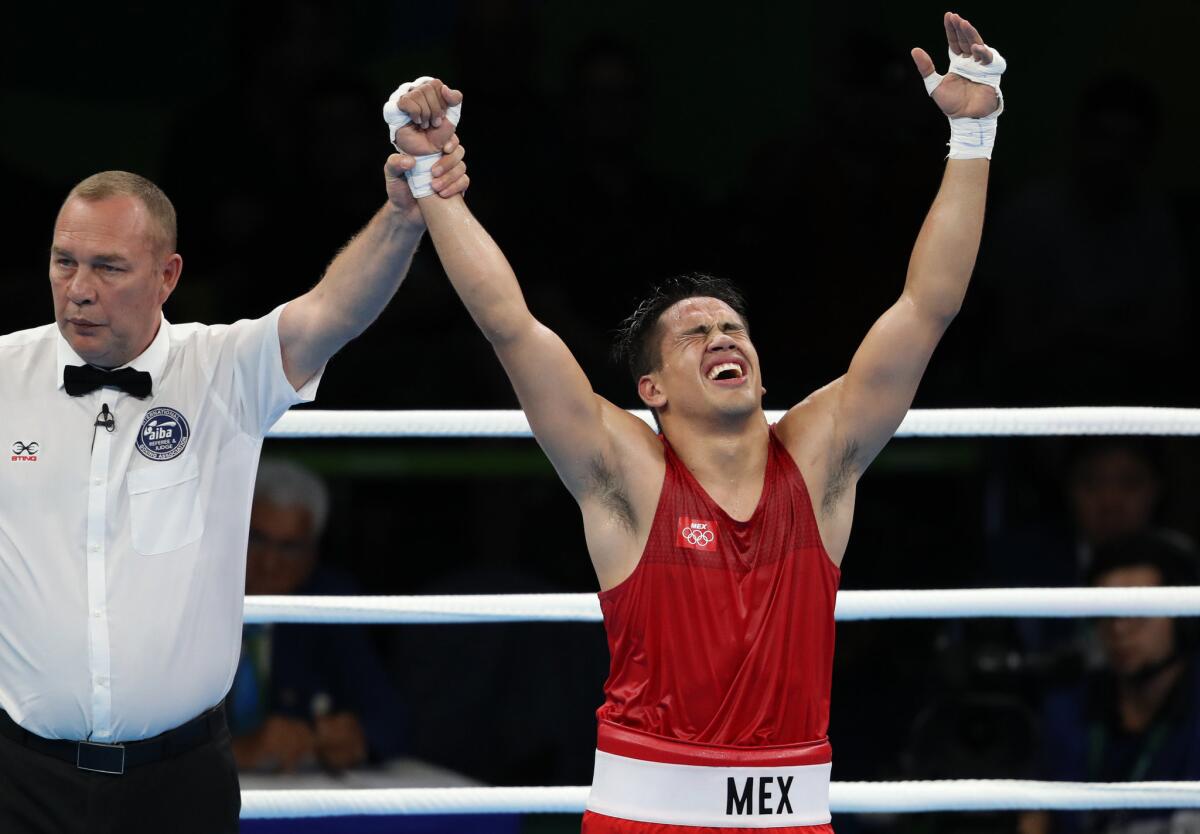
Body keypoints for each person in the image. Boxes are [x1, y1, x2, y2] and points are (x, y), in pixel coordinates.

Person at [399, 11, 1005, 833]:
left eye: (733, 328)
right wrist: (433, 173)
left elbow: (927, 308)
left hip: (793, 817)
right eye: (694, 333)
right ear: (650, 387)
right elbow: (512, 324)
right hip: (644, 816)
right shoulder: (627, 473)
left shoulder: (821, 460)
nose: (722, 337)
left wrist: (973, 138)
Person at [0, 83, 467, 833]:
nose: (79, 291)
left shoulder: (222, 369)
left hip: (180, 784)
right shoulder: (3, 377)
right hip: (21, 781)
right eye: (65, 263)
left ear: (168, 276)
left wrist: (406, 209)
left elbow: (334, 310)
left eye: (109, 268)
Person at [229, 459, 404, 772]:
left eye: (289, 547)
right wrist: (234, 751)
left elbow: (389, 720)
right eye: (256, 540)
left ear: (313, 552)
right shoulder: (195, 597)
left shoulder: (327, 601)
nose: (269, 563)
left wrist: (354, 738)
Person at [1020, 533, 1200, 834]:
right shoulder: (1065, 710)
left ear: (1183, 617)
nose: (1119, 628)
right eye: (1107, 612)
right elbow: (1035, 821)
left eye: (1139, 611)